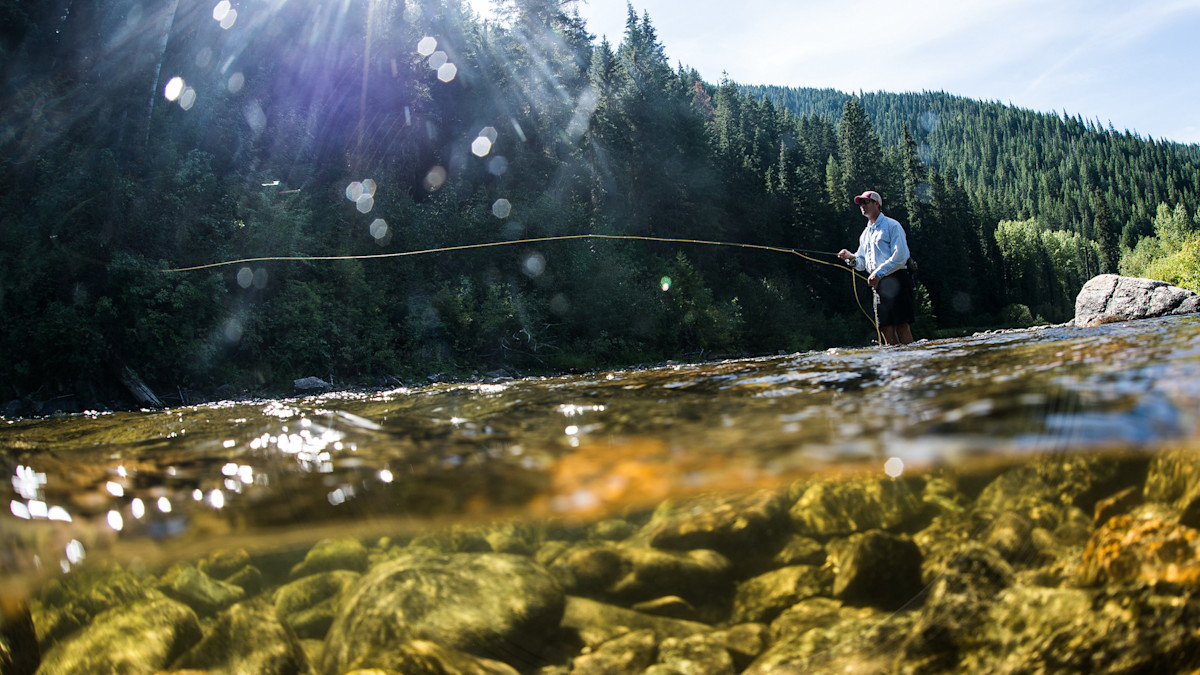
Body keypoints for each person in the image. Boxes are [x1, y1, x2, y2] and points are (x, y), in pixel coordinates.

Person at [837, 190, 915, 345]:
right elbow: (861, 263)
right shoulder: (865, 234)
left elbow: (901, 256)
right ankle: (893, 360)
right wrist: (850, 258)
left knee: (901, 325)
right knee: (885, 327)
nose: (862, 206)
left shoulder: (892, 226)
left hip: (897, 279)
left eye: (866, 202)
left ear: (877, 203)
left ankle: (910, 358)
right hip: (878, 285)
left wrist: (878, 273)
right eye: (860, 203)